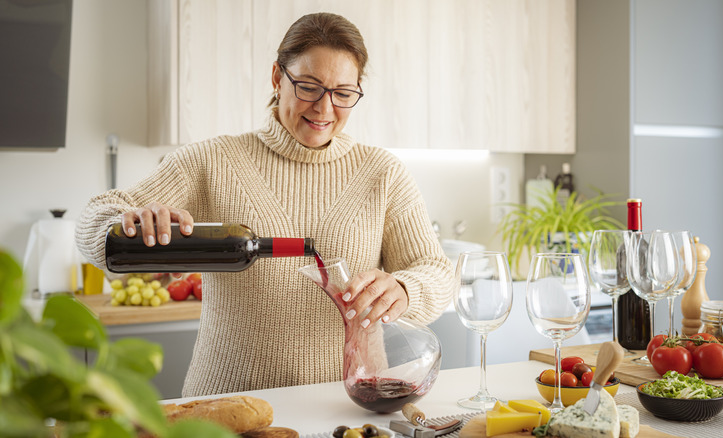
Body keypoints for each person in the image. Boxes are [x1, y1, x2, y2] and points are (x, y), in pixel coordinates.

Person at [75, 12, 453, 397]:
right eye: (309, 87)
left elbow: (437, 272)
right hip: (227, 405)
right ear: (277, 78)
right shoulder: (212, 161)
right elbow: (93, 219)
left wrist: (405, 288)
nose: (324, 109)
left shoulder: (382, 173)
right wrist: (127, 221)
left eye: (342, 94)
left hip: (349, 403)